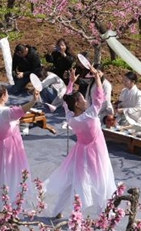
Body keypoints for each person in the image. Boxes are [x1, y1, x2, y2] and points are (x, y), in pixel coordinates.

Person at [44, 65, 117, 217]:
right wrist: (97, 78)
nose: (85, 100)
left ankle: (57, 211)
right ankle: (104, 214)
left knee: (71, 181)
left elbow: (66, 102)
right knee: (101, 181)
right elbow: (99, 99)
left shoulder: (71, 117)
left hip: (80, 152)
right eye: (83, 99)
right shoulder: (88, 116)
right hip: (96, 151)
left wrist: (71, 82)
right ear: (77, 104)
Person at [0, 82, 40, 209]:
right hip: (11, 144)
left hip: (0, 144)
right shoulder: (4, 112)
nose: (8, 95)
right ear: (3, 96)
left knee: (1, 169)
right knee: (13, 169)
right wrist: (33, 100)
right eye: (7, 93)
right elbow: (20, 111)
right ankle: (10, 196)